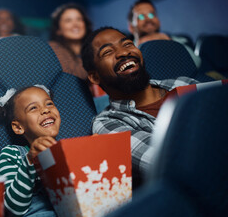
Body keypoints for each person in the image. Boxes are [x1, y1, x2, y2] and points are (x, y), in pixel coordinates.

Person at [81, 26, 198, 188]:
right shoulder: (107, 123)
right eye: (107, 52)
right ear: (94, 76)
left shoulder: (184, 83)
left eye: (128, 44)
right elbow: (170, 163)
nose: (123, 53)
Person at [0, 85, 77, 217]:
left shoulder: (70, 150)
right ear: (18, 127)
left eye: (49, 104)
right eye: (33, 108)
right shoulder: (12, 153)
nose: (45, 110)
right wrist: (30, 160)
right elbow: (12, 209)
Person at [127, 0, 201, 68]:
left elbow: (196, 63)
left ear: (159, 21)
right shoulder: (127, 52)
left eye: (151, 14)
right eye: (141, 16)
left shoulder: (179, 40)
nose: (148, 19)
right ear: (131, 27)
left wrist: (171, 43)